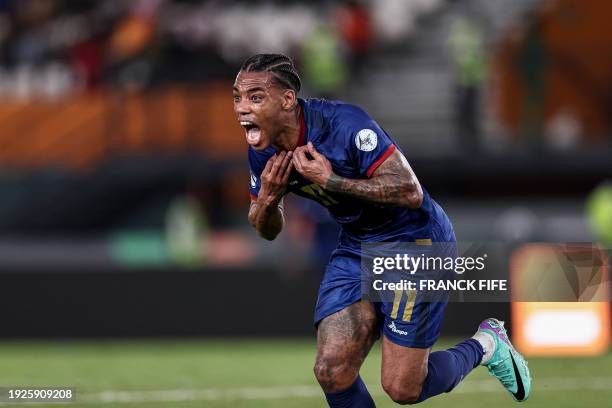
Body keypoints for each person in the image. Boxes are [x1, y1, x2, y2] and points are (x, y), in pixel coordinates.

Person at [233, 53, 531, 406]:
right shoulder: (263, 151)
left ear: (286, 100)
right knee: (332, 370)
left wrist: (332, 181)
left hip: (415, 242)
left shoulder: (344, 125)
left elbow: (409, 191)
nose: (241, 108)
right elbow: (266, 230)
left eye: (254, 97)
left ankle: (488, 344)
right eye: (237, 97)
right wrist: (267, 201)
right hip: (357, 244)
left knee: (403, 388)